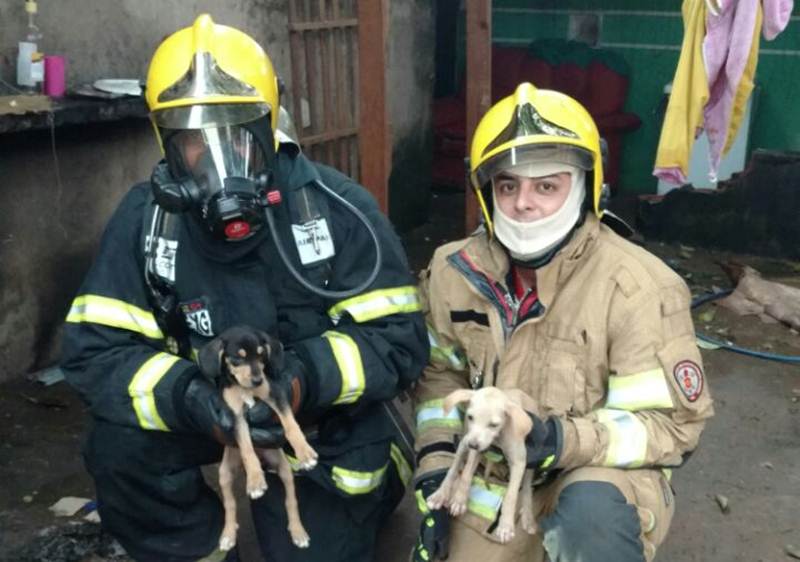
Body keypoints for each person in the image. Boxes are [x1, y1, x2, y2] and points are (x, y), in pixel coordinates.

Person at [61, 14, 427, 562]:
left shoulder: (334, 208)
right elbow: (95, 353)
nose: (218, 159)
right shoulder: (147, 220)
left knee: (315, 541)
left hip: (317, 422)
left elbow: (398, 340)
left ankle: (364, 499)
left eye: (236, 134)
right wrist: (189, 397)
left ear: (266, 125)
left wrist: (304, 380)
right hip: (206, 411)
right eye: (193, 140)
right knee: (119, 446)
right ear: (167, 140)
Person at [412, 82, 714, 562]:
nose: (524, 203)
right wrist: (435, 467)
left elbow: (671, 427)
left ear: (588, 185)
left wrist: (560, 441)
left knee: (590, 518)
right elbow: (438, 379)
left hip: (593, 478)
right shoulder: (453, 271)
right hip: (495, 482)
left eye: (547, 186)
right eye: (508, 185)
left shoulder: (640, 287)